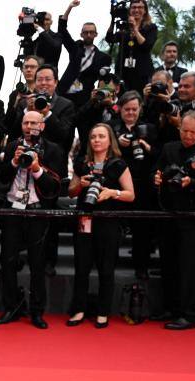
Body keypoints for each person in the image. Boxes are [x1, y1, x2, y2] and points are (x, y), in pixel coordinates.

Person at [152, 111, 195, 330]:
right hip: (168, 213)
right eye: (184, 131)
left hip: (193, 218)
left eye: (193, 132)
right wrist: (157, 178)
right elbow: (157, 171)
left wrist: (192, 182)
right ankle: (170, 308)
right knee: (168, 263)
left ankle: (188, 314)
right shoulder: (169, 148)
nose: (188, 136)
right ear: (179, 128)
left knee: (189, 267)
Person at [0, 111, 64, 329]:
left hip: (37, 211)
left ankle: (37, 311)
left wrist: (36, 169)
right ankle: (11, 307)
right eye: (26, 122)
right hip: (13, 209)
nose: (29, 126)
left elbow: (54, 187)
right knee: (8, 261)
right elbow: (1, 178)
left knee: (37, 263)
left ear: (42, 126)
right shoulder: (12, 146)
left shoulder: (53, 149)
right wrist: (14, 162)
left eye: (34, 123)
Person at [66, 123, 135, 328]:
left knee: (106, 268)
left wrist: (112, 193)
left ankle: (103, 312)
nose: (97, 140)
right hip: (84, 219)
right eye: (93, 136)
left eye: (101, 136)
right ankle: (78, 309)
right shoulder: (82, 163)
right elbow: (71, 192)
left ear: (110, 140)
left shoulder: (118, 164)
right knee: (81, 266)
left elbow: (131, 195)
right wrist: (81, 185)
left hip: (108, 221)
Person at [113, 91, 158, 280]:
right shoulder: (111, 127)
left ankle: (142, 266)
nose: (131, 113)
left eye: (134, 109)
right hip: (117, 184)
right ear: (120, 109)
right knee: (113, 226)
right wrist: (116, 143)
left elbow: (160, 155)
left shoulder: (150, 128)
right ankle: (108, 264)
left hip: (143, 185)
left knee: (143, 229)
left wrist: (148, 147)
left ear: (140, 109)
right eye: (127, 109)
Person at [57, 0, 112, 108]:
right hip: (64, 93)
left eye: (91, 32)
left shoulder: (103, 57)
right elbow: (62, 30)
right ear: (81, 34)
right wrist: (69, 8)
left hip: (84, 98)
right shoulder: (75, 48)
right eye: (86, 32)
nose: (88, 35)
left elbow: (103, 79)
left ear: (96, 34)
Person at [104, 0, 157, 95]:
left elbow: (146, 46)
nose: (136, 10)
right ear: (130, 10)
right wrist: (113, 20)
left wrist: (135, 29)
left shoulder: (150, 27)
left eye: (140, 7)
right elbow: (110, 38)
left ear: (145, 11)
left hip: (142, 73)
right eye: (134, 7)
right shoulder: (124, 27)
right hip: (123, 72)